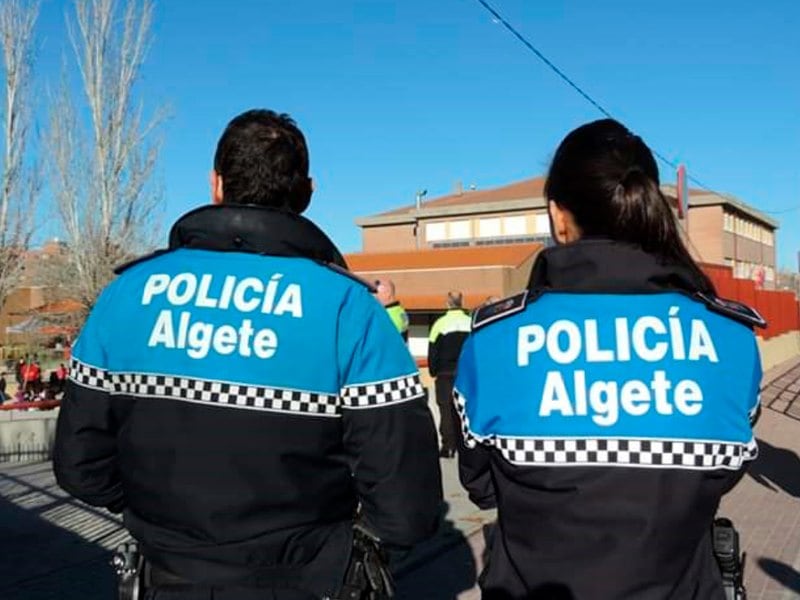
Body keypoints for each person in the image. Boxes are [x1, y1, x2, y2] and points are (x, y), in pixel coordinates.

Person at [54, 109, 443, 600]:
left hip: (166, 579)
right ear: (306, 193)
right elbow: (406, 506)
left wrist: (164, 524)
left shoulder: (126, 294)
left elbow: (79, 466)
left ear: (216, 185)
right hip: (310, 581)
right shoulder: (348, 307)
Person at [455, 119, 763, 599]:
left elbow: (482, 485)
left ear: (559, 216)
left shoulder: (495, 338)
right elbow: (722, 474)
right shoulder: (731, 337)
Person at [428, 291, 471, 458]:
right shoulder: (470, 322)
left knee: (446, 409)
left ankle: (448, 446)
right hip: (466, 374)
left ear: (448, 303)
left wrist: (433, 370)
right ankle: (465, 444)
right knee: (466, 409)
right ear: (461, 302)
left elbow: (433, 351)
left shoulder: (439, 324)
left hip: (445, 374)